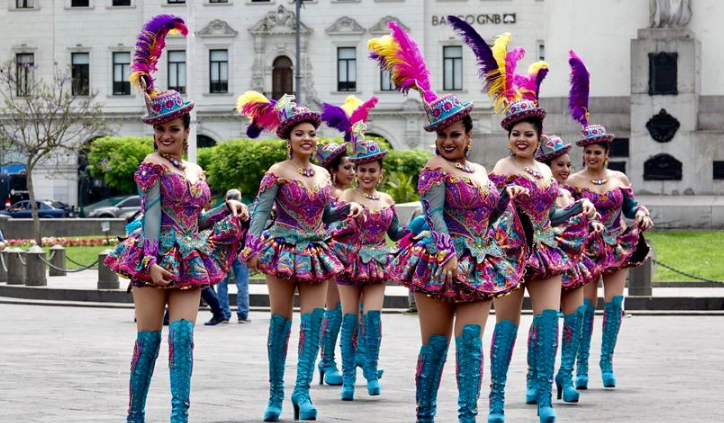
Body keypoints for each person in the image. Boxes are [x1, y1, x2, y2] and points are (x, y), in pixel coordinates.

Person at [370, 21, 529, 423]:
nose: (447, 141)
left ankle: (467, 416)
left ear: (468, 135)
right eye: (442, 135)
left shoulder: (480, 171)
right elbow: (434, 213)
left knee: (471, 343)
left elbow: (488, 215)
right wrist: (447, 253)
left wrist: (506, 198)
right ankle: (425, 416)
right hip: (439, 261)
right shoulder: (433, 168)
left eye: (454, 134)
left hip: (480, 259)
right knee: (436, 345)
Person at [447, 19, 597, 423]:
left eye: (528, 134)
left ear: (538, 137)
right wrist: (504, 197)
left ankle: (545, 398)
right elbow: (491, 211)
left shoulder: (546, 171)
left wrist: (578, 209)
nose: (521, 139)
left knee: (548, 323)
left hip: (546, 251)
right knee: (507, 326)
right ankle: (496, 400)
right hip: (510, 251)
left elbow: (552, 213)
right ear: (508, 136)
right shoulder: (501, 166)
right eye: (515, 133)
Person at [104, 15, 248, 423]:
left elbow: (196, 221)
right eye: (160, 129)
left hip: (189, 254)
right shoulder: (151, 165)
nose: (165, 135)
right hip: (154, 255)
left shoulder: (194, 170)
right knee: (149, 341)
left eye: (172, 128)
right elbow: (151, 216)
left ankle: (178, 415)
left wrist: (228, 209)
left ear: (186, 131)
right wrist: (151, 262)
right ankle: (135, 415)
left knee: (183, 339)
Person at [236, 91, 363, 422]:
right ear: (288, 139)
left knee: (313, 322)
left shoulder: (323, 174)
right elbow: (261, 212)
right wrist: (250, 246)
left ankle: (302, 392)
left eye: (311, 133)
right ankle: (275, 394)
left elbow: (325, 214)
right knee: (280, 323)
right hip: (281, 249)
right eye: (300, 133)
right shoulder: (277, 171)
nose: (307, 138)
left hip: (316, 250)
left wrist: (346, 209)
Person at [565, 51, 653, 390]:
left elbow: (630, 206)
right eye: (587, 152)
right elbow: (568, 214)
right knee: (585, 309)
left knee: (615, 306)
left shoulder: (619, 178)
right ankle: (582, 366)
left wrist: (641, 213)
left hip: (616, 246)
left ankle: (606, 362)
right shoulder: (574, 181)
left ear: (606, 154)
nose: (592, 156)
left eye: (597, 152)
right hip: (586, 249)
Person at [322, 95, 411, 400]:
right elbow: (330, 223)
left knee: (372, 320)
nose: (366, 175)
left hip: (377, 264)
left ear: (380, 173)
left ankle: (371, 372)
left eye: (372, 170)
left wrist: (418, 226)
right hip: (349, 264)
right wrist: (345, 216)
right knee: (349, 320)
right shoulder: (346, 196)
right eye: (361, 170)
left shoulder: (386, 200)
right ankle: (348, 379)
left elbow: (396, 232)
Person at [534, 135, 605, 404]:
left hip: (573, 262)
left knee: (576, 316)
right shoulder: (542, 190)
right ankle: (534, 378)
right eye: (559, 165)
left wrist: (592, 221)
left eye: (567, 165)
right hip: (547, 261)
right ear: (546, 166)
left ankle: (566, 375)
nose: (565, 170)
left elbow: (582, 216)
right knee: (545, 321)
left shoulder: (569, 193)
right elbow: (551, 219)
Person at [315, 132, 355, 386]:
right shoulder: (329, 193)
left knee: (351, 310)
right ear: (333, 170)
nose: (352, 172)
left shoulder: (348, 192)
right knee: (335, 309)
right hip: (331, 254)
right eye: (347, 167)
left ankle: (359, 358)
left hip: (352, 256)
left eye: (353, 167)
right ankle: (327, 361)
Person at [212, 189, 252, 325]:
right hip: (240, 252)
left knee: (221, 286)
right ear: (239, 200)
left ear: (226, 199)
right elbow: (249, 234)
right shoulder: (245, 214)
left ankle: (224, 314)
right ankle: (243, 314)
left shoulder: (220, 215)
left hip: (223, 254)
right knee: (242, 285)